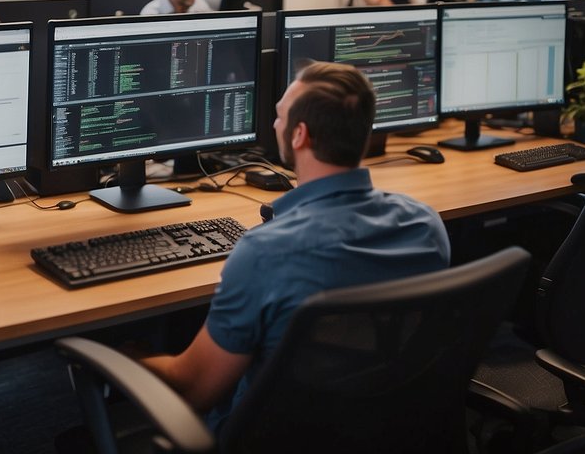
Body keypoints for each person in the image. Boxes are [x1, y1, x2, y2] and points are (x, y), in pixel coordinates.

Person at [137, 61, 449, 432]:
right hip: (387, 429)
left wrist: (130, 355)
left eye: (280, 115)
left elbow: (195, 391)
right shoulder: (426, 225)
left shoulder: (264, 252)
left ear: (300, 135)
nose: (273, 125)